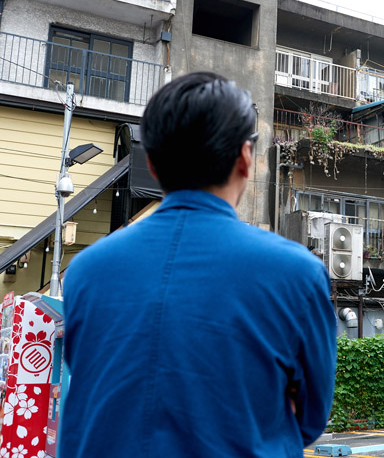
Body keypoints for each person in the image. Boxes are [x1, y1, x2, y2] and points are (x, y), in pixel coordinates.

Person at [60, 73, 337, 457]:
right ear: (245, 158)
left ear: (152, 164)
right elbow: (310, 417)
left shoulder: (85, 273)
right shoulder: (297, 273)